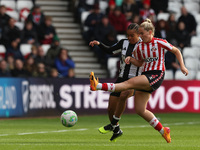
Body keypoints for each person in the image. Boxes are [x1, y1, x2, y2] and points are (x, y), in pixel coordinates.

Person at [89, 19, 188, 143]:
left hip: (156, 74)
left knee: (127, 85)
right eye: (139, 34)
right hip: (146, 75)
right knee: (140, 110)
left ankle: (97, 86)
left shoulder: (159, 42)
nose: (140, 36)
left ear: (150, 32)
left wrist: (182, 66)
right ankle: (163, 131)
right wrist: (131, 59)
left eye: (141, 33)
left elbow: (176, 50)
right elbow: (140, 63)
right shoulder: (140, 47)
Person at [89, 23, 142, 141]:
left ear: (139, 34)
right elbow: (110, 50)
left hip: (136, 80)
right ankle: (117, 129)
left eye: (132, 35)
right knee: (111, 108)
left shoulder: (144, 45)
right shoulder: (123, 43)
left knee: (124, 94)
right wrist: (99, 44)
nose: (129, 38)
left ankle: (112, 125)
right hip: (122, 78)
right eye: (128, 35)